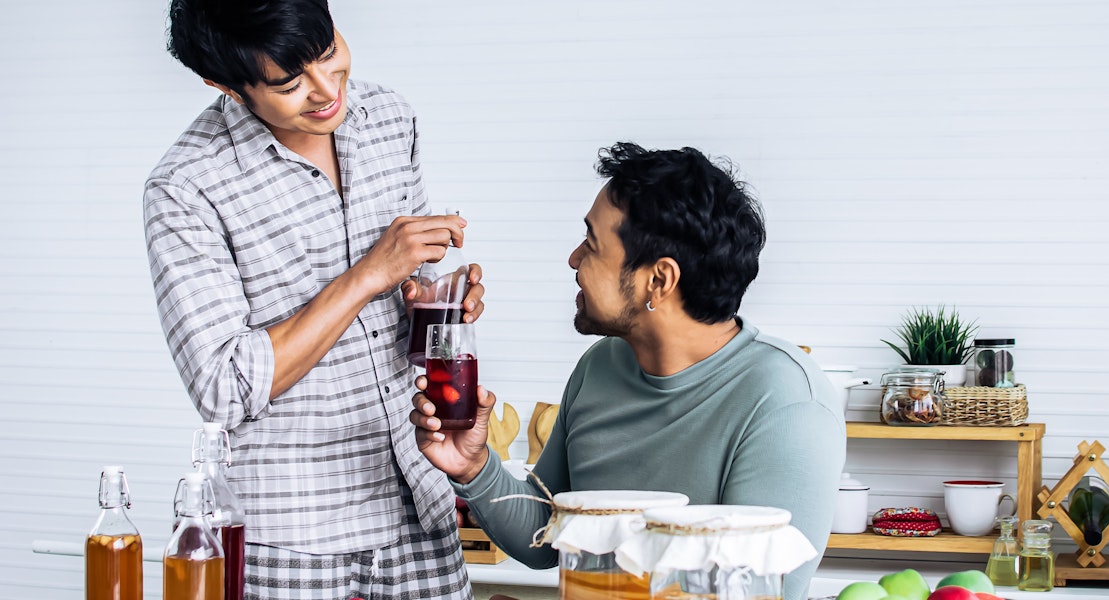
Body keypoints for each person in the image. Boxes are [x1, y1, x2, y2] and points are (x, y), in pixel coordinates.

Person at [144, 1, 482, 597]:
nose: (327, 89)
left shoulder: (388, 119)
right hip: (296, 536)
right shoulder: (186, 187)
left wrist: (436, 303)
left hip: (420, 508)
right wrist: (367, 275)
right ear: (224, 84)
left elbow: (399, 298)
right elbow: (224, 386)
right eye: (289, 82)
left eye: (328, 52)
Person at [413, 142, 846, 600]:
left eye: (593, 244)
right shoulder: (600, 366)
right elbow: (550, 534)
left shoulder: (786, 403)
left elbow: (755, 592)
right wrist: (474, 467)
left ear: (658, 280)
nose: (574, 259)